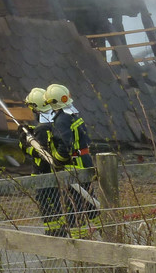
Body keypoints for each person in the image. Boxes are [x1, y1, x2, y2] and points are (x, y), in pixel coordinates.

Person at [45, 83, 100, 239]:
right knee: (89, 198)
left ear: (52, 102)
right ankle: (102, 228)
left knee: (74, 201)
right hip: (84, 160)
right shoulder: (73, 115)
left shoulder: (61, 120)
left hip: (74, 166)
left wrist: (58, 161)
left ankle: (80, 236)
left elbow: (65, 145)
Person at [17, 87, 68, 236]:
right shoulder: (53, 124)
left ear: (36, 109)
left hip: (43, 175)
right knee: (56, 204)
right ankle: (58, 231)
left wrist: (24, 144)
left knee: (48, 206)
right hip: (53, 175)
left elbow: (40, 153)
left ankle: (54, 234)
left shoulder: (41, 129)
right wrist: (30, 132)